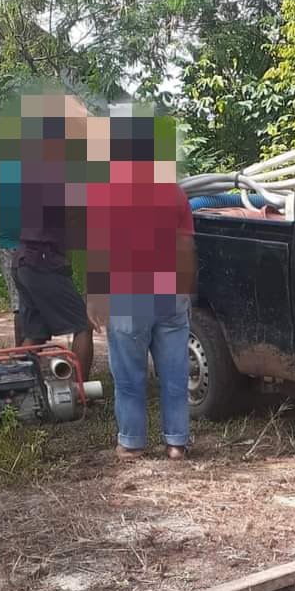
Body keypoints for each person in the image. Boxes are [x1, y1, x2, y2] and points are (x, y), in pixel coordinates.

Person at [85, 109, 195, 460]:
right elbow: (185, 246)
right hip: (171, 292)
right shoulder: (174, 193)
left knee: (129, 376)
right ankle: (176, 443)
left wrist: (95, 296)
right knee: (174, 373)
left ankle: (131, 443)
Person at [12, 93, 95, 377]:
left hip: (25, 259)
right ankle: (80, 388)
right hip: (44, 259)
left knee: (35, 335)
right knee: (84, 324)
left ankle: (15, 387)